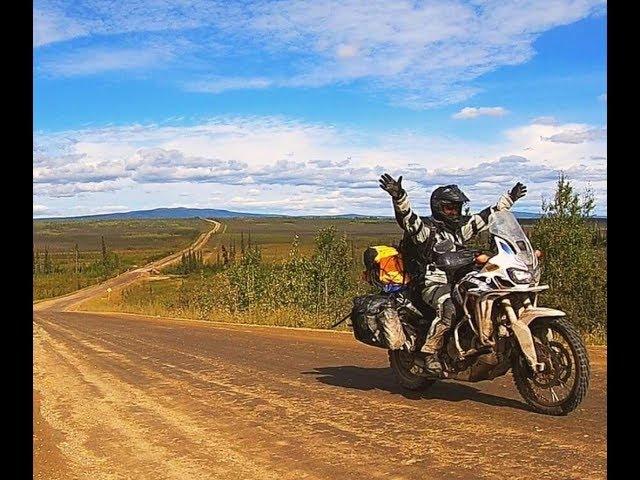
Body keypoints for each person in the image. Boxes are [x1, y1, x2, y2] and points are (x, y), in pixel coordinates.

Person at [379, 174, 527, 376]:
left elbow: (486, 217)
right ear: (439, 207)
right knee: (449, 305)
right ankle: (428, 353)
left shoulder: (459, 230)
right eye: (450, 207)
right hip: (432, 282)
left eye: (457, 207)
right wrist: (399, 197)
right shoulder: (426, 230)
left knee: (490, 292)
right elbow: (408, 220)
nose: (455, 212)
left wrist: (510, 198)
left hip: (459, 278)